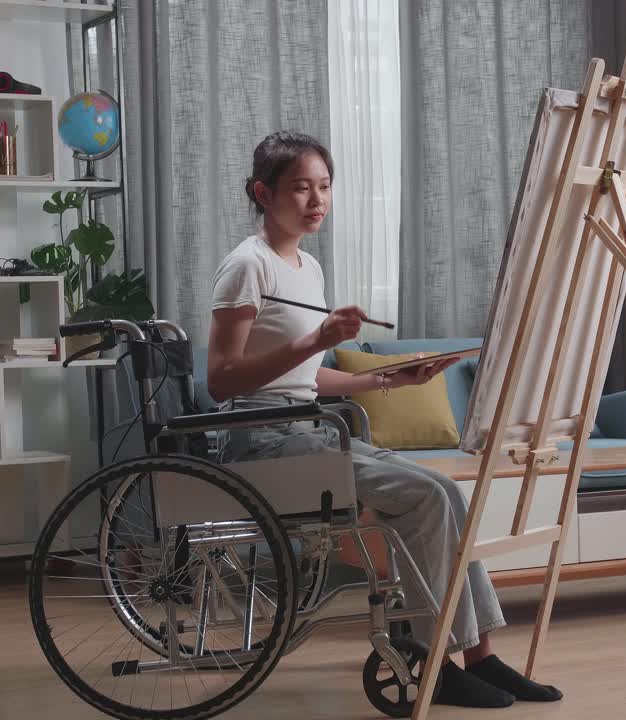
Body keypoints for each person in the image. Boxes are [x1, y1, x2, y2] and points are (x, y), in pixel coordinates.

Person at [208, 131, 563, 708]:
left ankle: (481, 656)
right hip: (262, 442)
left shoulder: (307, 267)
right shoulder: (247, 267)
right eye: (300, 188)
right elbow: (223, 380)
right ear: (262, 192)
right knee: (425, 495)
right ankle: (434, 663)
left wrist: (387, 379)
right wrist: (317, 339)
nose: (316, 200)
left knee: (446, 491)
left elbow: (307, 379)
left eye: (324, 187)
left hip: (309, 430)